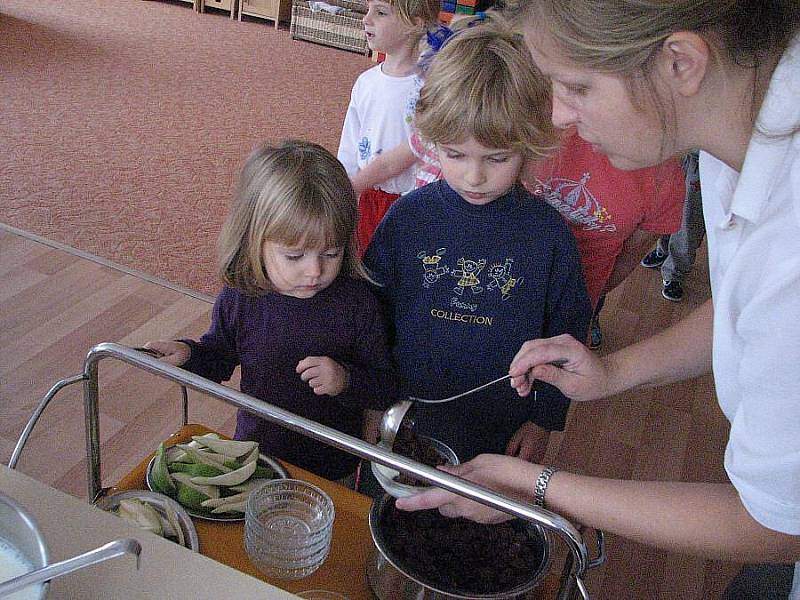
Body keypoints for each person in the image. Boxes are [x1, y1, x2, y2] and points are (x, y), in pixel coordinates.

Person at [396, 1, 800, 597]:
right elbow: (746, 309)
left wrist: (535, 487)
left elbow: (777, 524)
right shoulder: (737, 120)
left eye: (576, 86)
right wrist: (614, 371)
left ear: (680, 63)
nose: (558, 114)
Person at [363, 22, 592, 470]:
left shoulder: (548, 235)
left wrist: (545, 420)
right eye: (455, 154)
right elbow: (370, 315)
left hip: (500, 427)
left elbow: (567, 330)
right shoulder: (408, 218)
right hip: (402, 413)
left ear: (528, 144)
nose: (474, 176)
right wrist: (367, 397)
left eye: (497, 158)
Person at [145, 140, 399, 486]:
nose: (314, 271)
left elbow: (385, 386)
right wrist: (190, 354)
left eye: (331, 253)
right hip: (257, 453)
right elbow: (219, 356)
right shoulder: (241, 298)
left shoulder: (358, 305)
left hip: (334, 464)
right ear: (254, 240)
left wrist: (345, 380)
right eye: (294, 257)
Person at [527, 129, 684, 348]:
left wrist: (591, 294)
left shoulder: (664, 179)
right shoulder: (543, 120)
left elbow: (630, 256)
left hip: (579, 294)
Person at [337, 0, 440, 253]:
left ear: (415, 24)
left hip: (414, 201)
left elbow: (426, 149)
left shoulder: (430, 87)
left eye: (380, 12)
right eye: (369, 9)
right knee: (367, 260)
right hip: (369, 195)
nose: (366, 18)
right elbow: (350, 143)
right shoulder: (366, 82)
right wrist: (342, 186)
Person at [640, 150, 705, 302]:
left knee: (690, 219)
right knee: (669, 205)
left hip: (704, 160)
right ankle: (663, 250)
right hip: (681, 152)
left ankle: (675, 272)